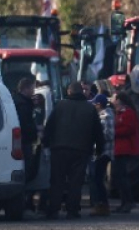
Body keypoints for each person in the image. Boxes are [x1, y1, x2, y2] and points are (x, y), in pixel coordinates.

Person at [43, 81, 104, 219]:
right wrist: (99, 149)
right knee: (76, 182)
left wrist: (46, 144)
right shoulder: (90, 109)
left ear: (69, 92)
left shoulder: (60, 106)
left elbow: (49, 126)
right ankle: (72, 211)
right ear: (81, 92)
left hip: (59, 149)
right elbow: (97, 132)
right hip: (81, 150)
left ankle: (53, 210)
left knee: (57, 181)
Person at [111, 92, 139, 213]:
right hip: (119, 149)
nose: (112, 100)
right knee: (119, 177)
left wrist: (113, 131)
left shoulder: (128, 113)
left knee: (122, 176)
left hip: (124, 148)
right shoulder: (119, 113)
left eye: (114, 98)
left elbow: (129, 129)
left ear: (119, 100)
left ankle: (128, 201)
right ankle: (124, 202)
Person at [13, 78, 40, 210]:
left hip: (22, 141)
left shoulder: (18, 101)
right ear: (26, 88)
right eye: (32, 88)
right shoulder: (23, 105)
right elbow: (25, 124)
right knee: (27, 170)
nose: (34, 91)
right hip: (25, 142)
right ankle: (23, 201)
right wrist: (35, 131)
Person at [89, 94, 114, 216]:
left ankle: (103, 205)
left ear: (99, 105)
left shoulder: (106, 116)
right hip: (100, 152)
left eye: (94, 104)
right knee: (96, 178)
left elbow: (109, 134)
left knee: (98, 179)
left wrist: (96, 136)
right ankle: (100, 204)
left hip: (104, 152)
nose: (93, 106)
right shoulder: (102, 115)